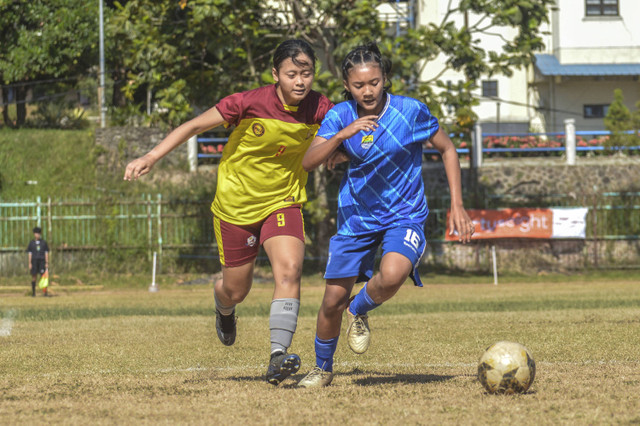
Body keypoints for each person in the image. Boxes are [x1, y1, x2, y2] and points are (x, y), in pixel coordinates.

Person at [124, 39, 333, 386]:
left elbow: (343, 135)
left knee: (290, 269)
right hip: (235, 206)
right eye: (292, 74)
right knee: (236, 289)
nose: (300, 81)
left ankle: (277, 357)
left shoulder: (321, 108)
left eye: (306, 74)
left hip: (283, 200)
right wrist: (150, 157)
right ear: (275, 75)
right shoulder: (248, 102)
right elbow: (193, 127)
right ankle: (224, 309)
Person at [297, 42, 475, 388]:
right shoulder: (339, 115)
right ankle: (322, 368)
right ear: (347, 86)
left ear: (385, 79)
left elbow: (448, 148)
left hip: (405, 214)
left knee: (392, 275)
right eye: (359, 85)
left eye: (375, 82)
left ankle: (359, 309)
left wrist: (457, 205)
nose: (368, 91)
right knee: (332, 300)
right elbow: (308, 161)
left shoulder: (411, 112)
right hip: (357, 217)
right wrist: (341, 137)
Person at [26, 227, 49, 297]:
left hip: (42, 261)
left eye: (38, 233)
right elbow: (30, 254)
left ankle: (45, 292)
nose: (37, 235)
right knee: (34, 276)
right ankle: (33, 292)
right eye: (36, 233)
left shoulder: (44, 243)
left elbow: (46, 253)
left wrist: (47, 262)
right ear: (34, 234)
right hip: (34, 261)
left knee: (43, 277)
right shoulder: (31, 243)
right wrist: (29, 263)